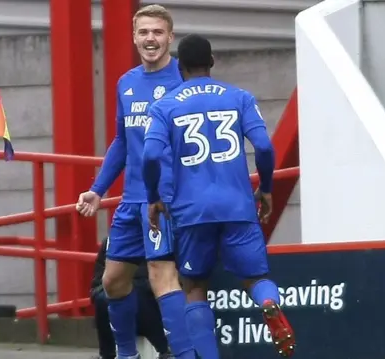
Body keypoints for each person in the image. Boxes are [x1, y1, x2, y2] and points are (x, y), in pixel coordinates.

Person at [142, 34, 295, 359]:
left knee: (194, 287)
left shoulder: (164, 106)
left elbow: (151, 156)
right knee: (256, 279)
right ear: (212, 63)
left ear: (179, 67)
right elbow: (265, 147)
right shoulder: (239, 97)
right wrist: (266, 187)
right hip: (238, 206)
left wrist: (154, 196)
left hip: (192, 211)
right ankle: (269, 303)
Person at [75, 5, 197, 359]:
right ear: (134, 37)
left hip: (165, 200)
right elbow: (122, 142)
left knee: (162, 277)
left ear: (170, 37)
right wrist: (97, 190)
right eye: (144, 32)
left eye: (158, 32)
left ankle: (181, 354)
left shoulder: (183, 80)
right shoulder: (126, 83)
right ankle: (127, 355)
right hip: (130, 201)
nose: (150, 39)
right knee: (112, 282)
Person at [91, 238, 172, 359]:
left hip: (151, 305)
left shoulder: (160, 240)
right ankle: (108, 355)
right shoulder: (111, 242)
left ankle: (166, 350)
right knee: (104, 298)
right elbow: (96, 286)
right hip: (118, 303)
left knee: (139, 294)